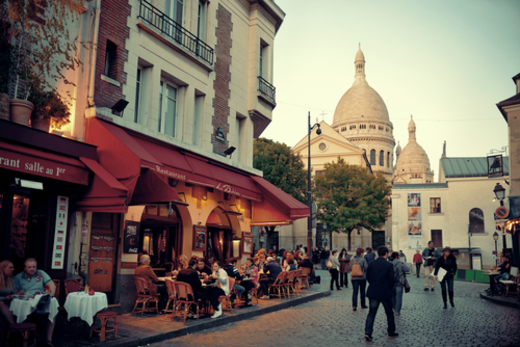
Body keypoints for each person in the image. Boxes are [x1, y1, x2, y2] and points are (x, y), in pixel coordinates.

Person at [14, 258, 57, 347]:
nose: (32, 269)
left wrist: (49, 296)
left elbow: (52, 285)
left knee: (53, 311)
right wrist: (18, 293)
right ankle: (29, 337)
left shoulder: (40, 273)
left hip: (39, 299)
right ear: (25, 268)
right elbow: (14, 291)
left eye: (34, 267)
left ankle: (48, 340)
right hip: (26, 301)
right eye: (29, 267)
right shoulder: (18, 277)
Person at [364, 247, 398, 342]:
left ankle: (368, 332)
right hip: (384, 292)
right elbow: (391, 280)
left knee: (371, 313)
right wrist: (389, 289)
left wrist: (373, 284)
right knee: (389, 313)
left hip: (373, 291)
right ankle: (391, 332)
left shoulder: (371, 264)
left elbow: (368, 277)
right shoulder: (388, 265)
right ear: (386, 254)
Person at [390, 252, 410, 316]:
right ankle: (397, 311)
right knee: (399, 297)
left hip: (392, 282)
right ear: (397, 256)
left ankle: (394, 308)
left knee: (392, 296)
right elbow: (408, 269)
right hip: (399, 282)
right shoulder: (401, 263)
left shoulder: (389, 263)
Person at [0, 260, 16, 325]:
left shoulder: (11, 279)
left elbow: (14, 293)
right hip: (2, 302)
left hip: (8, 303)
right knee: (1, 303)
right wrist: (5, 298)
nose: (13, 269)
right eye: (10, 267)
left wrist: (18, 293)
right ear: (3, 269)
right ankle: (14, 326)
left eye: (13, 267)